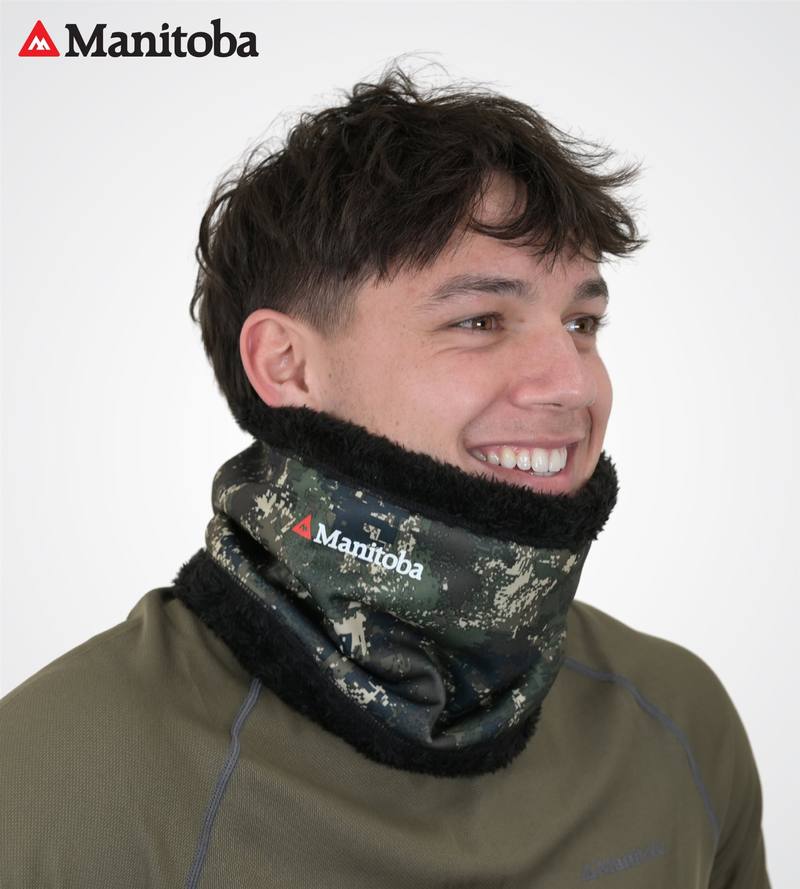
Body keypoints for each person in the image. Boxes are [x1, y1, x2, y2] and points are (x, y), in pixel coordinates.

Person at [0, 64, 770, 888]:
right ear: (286, 364)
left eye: (582, 323)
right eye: (480, 320)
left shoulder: (678, 724)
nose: (572, 383)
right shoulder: (56, 778)